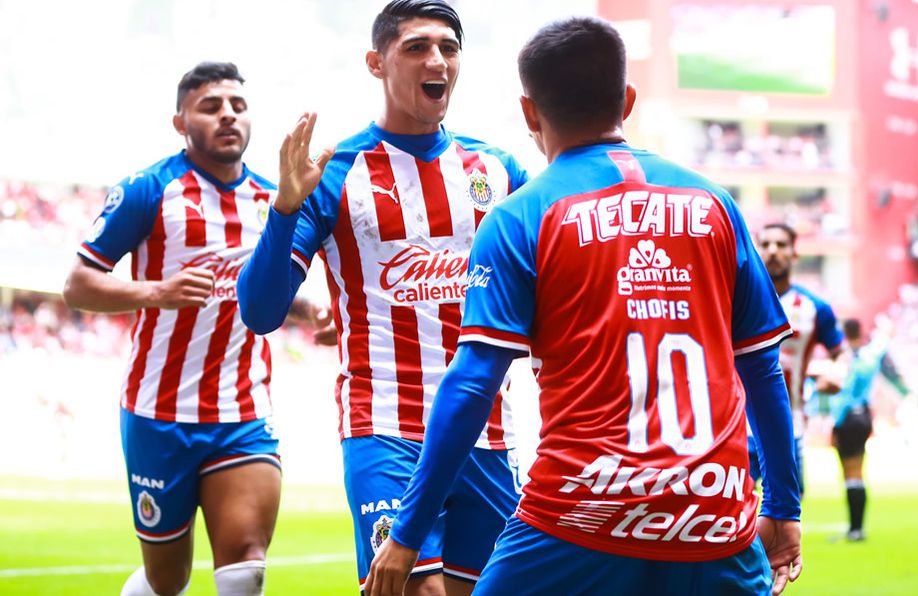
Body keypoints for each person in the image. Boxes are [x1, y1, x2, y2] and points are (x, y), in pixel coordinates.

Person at [366, 16, 802, 596]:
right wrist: (784, 505)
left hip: (579, 516)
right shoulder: (715, 205)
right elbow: (763, 369)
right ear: (627, 100)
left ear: (529, 113)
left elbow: (472, 384)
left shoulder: (522, 216)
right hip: (715, 522)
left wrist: (408, 533)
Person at [236, 1, 528, 593]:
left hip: (487, 431)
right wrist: (285, 209)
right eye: (417, 47)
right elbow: (260, 312)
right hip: (386, 425)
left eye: (448, 48)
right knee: (417, 589)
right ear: (376, 63)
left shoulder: (498, 171)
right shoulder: (334, 173)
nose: (437, 60)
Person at [63, 61, 291, 596]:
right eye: (211, 106)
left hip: (242, 410)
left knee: (245, 568)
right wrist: (157, 292)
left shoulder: (272, 200)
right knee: (167, 580)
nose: (228, 115)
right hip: (158, 412)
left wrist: (311, 312)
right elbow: (77, 285)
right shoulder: (148, 189)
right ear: (180, 122)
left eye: (237, 105)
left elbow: (260, 286)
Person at [754, 222, 844, 495]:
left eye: (781, 245)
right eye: (765, 244)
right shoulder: (733, 300)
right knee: (732, 509)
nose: (773, 251)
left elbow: (841, 353)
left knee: (787, 509)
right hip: (737, 425)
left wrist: (837, 373)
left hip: (789, 424)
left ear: (794, 254)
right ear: (756, 251)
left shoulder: (815, 307)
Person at [829, 318, 909, 541]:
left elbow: (844, 395)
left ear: (845, 333)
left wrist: (835, 425)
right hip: (864, 416)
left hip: (848, 418)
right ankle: (857, 528)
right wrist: (885, 328)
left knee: (850, 474)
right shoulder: (870, 355)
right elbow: (884, 340)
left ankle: (855, 529)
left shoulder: (846, 359)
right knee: (858, 472)